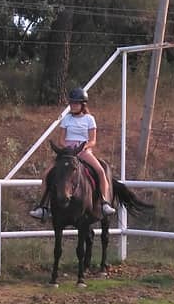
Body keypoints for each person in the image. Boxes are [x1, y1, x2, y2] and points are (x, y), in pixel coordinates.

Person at [29, 87, 115, 219]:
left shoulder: (89, 119)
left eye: (76, 103)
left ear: (82, 104)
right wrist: (68, 149)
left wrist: (83, 147)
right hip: (67, 152)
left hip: (83, 150)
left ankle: (104, 202)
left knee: (100, 171)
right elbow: (61, 140)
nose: (73, 105)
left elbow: (93, 140)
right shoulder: (66, 119)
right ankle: (43, 207)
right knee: (46, 174)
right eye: (71, 103)